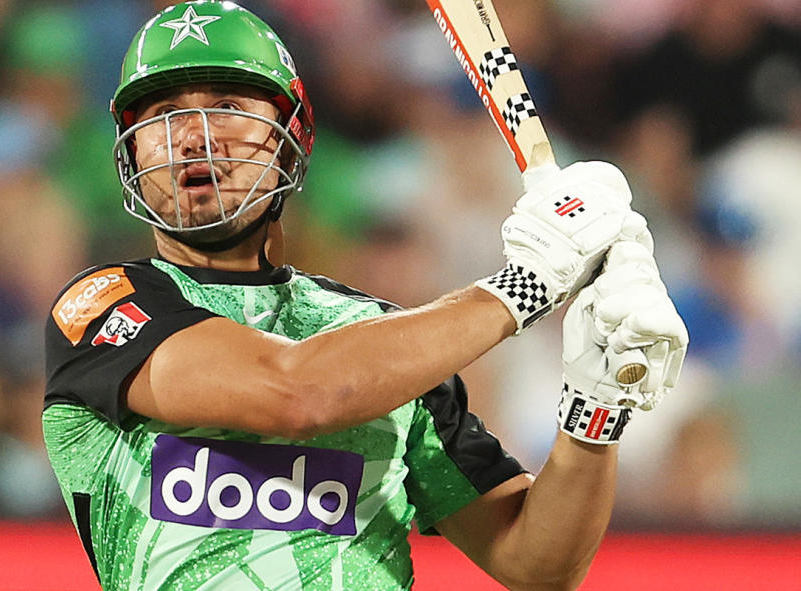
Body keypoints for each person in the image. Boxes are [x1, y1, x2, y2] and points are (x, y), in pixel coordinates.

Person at [42, 2, 688, 589]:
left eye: (229, 108)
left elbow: (536, 563)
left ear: (292, 135)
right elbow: (296, 392)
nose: (194, 136)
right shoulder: (98, 308)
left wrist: (596, 408)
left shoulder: (380, 339)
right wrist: (525, 287)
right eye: (163, 116)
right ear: (128, 152)